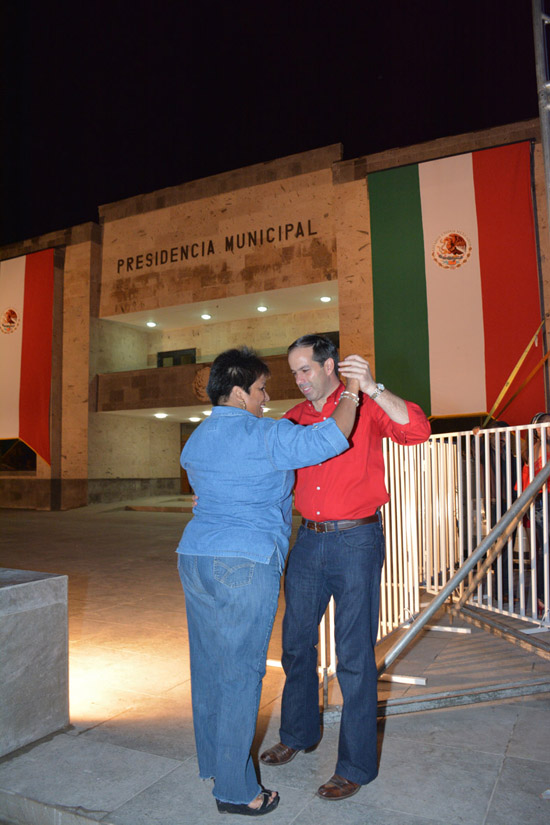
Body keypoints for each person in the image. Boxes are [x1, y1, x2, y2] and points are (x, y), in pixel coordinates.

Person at [176, 346, 366, 816]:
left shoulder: (196, 440)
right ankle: (238, 792)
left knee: (210, 669)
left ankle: (219, 767)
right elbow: (332, 437)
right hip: (243, 562)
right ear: (239, 392)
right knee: (241, 674)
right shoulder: (264, 433)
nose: (266, 398)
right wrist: (354, 393)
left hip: (194, 557)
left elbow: (202, 491)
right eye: (261, 389)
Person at [260, 334, 431, 800]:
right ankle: (298, 735)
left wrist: (373, 387)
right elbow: (267, 469)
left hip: (357, 539)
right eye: (293, 372)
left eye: (305, 370)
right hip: (308, 542)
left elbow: (416, 429)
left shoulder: (363, 405)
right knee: (295, 645)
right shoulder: (293, 419)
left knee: (353, 656)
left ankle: (354, 765)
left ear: (330, 365)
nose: (298, 381)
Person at [523, 412, 550, 617]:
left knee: (545, 550)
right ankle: (542, 597)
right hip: (543, 501)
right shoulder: (539, 448)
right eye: (547, 425)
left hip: (543, 501)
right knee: (546, 551)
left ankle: (542, 597)